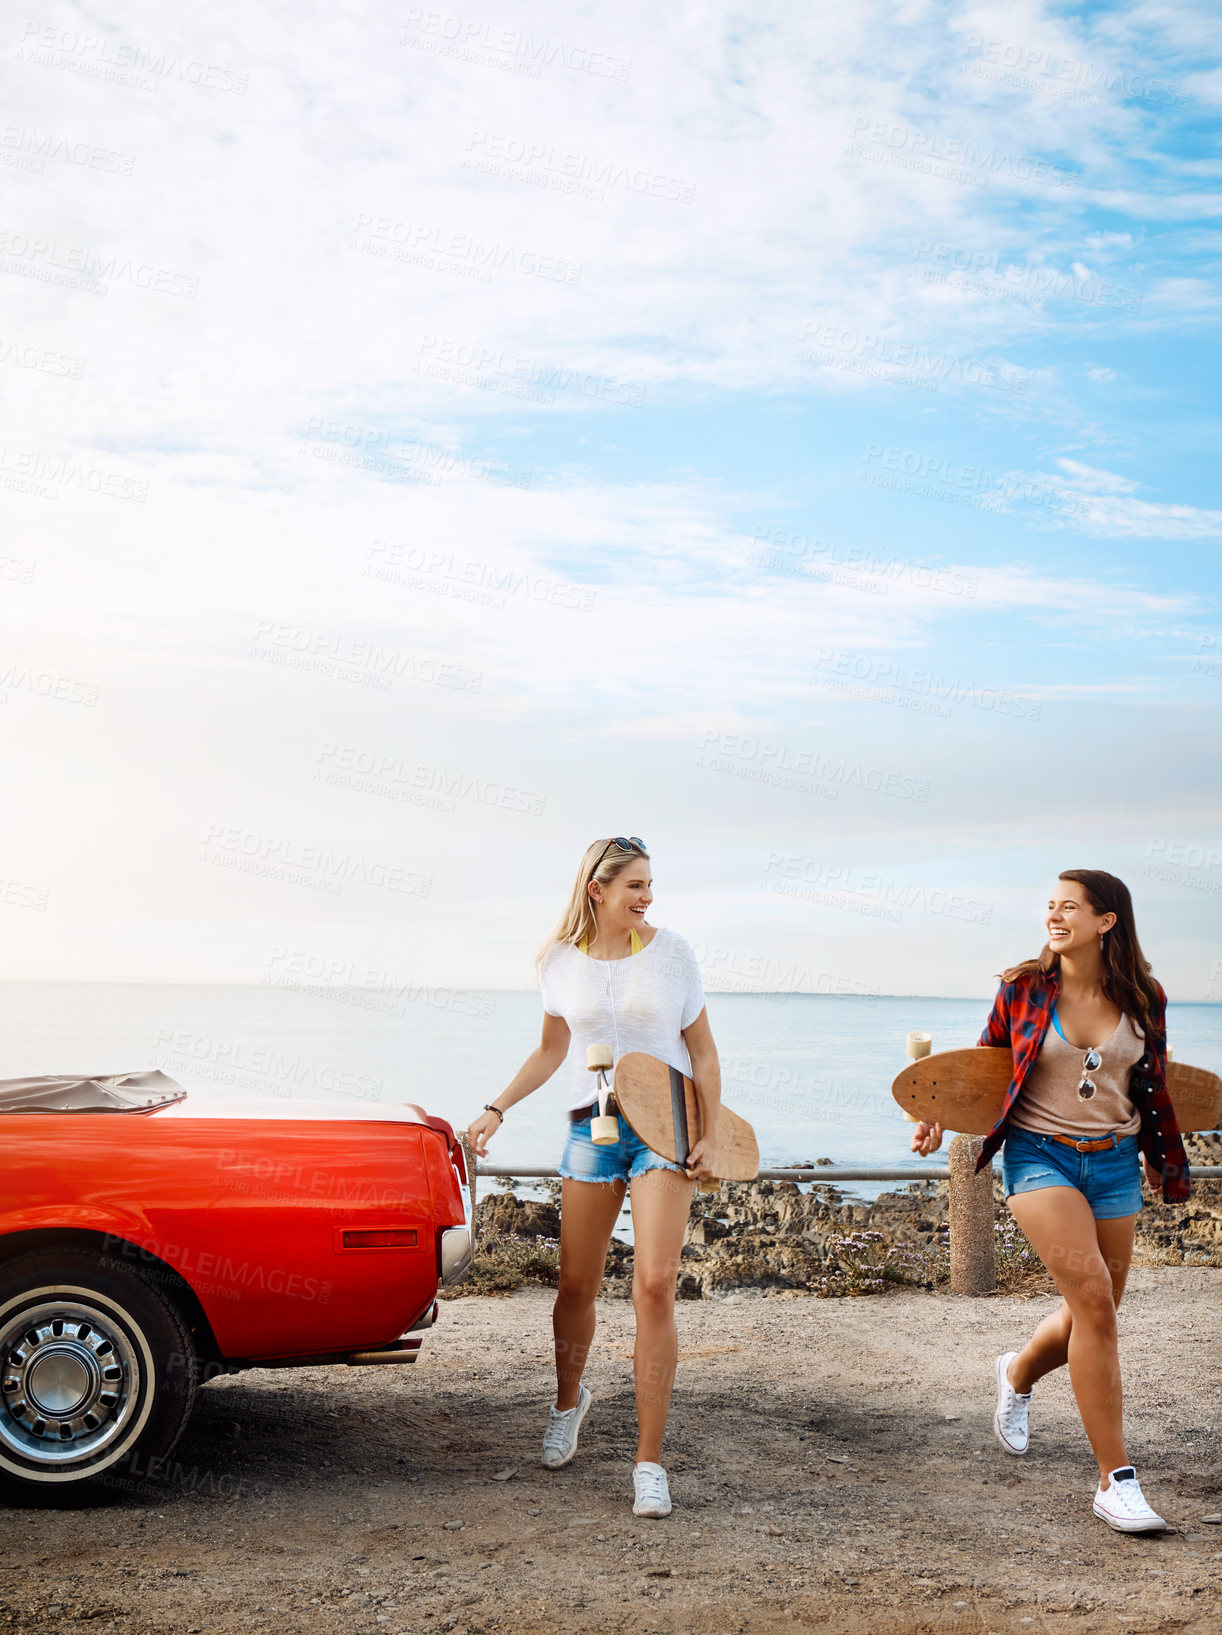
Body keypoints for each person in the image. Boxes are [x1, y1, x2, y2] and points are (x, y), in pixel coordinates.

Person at [912, 869, 1190, 1533]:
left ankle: (1017, 1371)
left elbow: (1150, 1080)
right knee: (1095, 1303)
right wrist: (937, 1114)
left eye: (1070, 906)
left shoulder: (1144, 995)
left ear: (1106, 921)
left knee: (1093, 1311)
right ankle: (1115, 1480)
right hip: (1041, 1158)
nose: (1054, 915)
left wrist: (1159, 1155)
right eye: (1050, 905)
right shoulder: (1023, 988)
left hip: (1116, 1163)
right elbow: (981, 1067)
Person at [467, 837, 720, 1519]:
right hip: (591, 1127)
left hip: (664, 1128)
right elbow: (553, 1048)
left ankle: (649, 1460)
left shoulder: (673, 954)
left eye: (650, 884)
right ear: (596, 890)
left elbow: (701, 1047)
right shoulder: (557, 961)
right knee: (575, 1282)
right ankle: (567, 1400)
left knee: (656, 1285)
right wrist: (498, 1107)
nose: (646, 897)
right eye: (634, 885)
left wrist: (711, 1130)